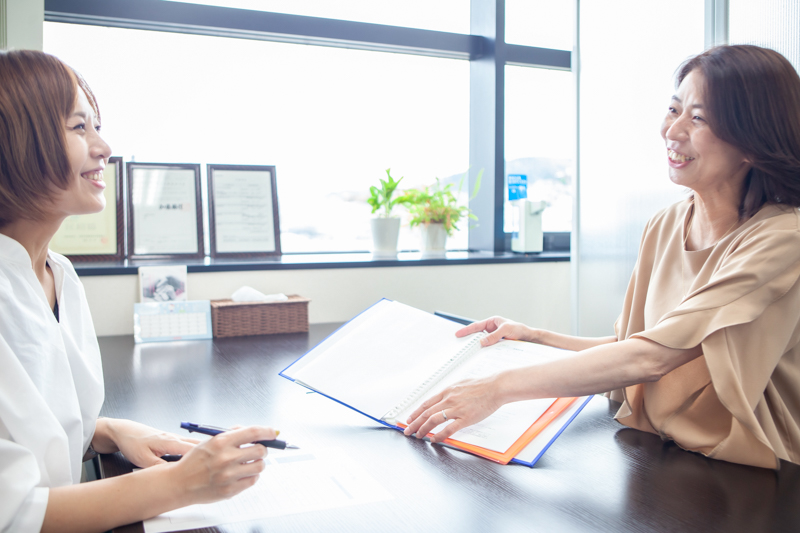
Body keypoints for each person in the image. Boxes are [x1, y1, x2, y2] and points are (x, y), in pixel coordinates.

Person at [404, 45, 800, 470]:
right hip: (661, 448)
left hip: (756, 470)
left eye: (698, 117)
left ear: (752, 143)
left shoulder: (783, 238)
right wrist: (536, 337)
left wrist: (497, 388)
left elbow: (654, 356)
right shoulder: (665, 224)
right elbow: (636, 343)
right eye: (674, 108)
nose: (673, 130)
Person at [0, 49, 277, 532]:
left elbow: (33, 427)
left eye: (97, 126)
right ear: (15, 142)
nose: (103, 147)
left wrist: (109, 431)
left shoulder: (56, 273)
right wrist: (181, 484)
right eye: (78, 127)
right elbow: (17, 512)